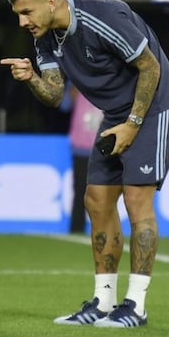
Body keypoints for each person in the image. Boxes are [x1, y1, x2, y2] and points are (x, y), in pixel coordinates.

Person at [0, 0, 169, 328]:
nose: (23, 22)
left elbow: (150, 66)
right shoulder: (44, 38)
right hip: (117, 111)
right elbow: (54, 95)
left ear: (51, 2)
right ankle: (103, 303)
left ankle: (136, 306)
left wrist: (133, 124)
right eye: (18, 16)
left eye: (27, 12)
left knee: (136, 200)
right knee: (96, 200)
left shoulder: (102, 16)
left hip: (156, 105)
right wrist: (31, 78)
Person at [62, 83, 103, 233]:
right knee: (80, 191)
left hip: (104, 147)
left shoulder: (110, 77)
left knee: (103, 193)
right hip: (81, 147)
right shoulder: (75, 79)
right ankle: (76, 229)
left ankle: (102, 230)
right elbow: (64, 105)